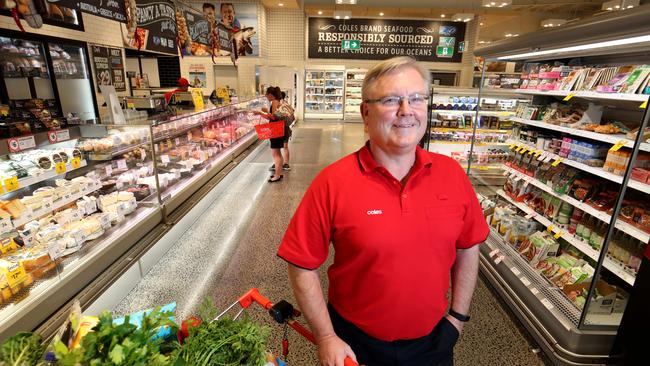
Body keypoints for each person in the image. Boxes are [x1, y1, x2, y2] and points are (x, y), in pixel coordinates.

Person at [277, 56, 489, 366]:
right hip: (354, 343)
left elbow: (469, 246)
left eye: (416, 99)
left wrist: (456, 319)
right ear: (366, 113)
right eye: (391, 100)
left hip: (434, 343)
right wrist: (325, 337)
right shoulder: (333, 182)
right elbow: (301, 263)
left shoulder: (452, 174)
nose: (406, 111)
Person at [256, 86, 288, 183]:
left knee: (276, 154)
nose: (266, 96)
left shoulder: (274, 102)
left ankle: (277, 175)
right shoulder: (278, 101)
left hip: (275, 130)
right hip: (279, 130)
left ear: (271, 95)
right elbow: (275, 116)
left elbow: (273, 117)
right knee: (277, 153)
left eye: (267, 94)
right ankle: (278, 172)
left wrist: (262, 113)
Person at [267, 90, 293, 172]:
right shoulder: (284, 103)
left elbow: (274, 116)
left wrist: (265, 113)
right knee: (284, 147)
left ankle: (279, 165)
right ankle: (285, 164)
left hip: (279, 128)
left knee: (277, 150)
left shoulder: (276, 103)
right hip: (286, 127)